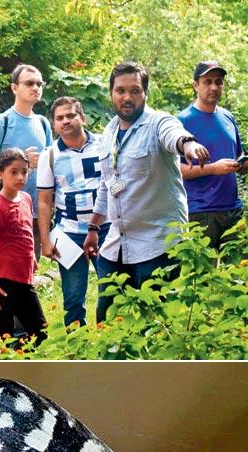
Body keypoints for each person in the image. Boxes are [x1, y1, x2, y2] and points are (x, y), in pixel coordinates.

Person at [82, 61, 210, 323]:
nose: (127, 97)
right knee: (106, 320)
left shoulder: (159, 122)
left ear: (145, 94)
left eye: (135, 90)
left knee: (154, 324)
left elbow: (174, 134)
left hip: (156, 247)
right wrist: (94, 229)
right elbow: (108, 185)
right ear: (111, 93)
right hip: (116, 244)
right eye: (120, 90)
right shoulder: (108, 133)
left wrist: (188, 145)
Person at [178, 60, 248, 262]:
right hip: (200, 212)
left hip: (232, 208)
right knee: (203, 280)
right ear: (195, 85)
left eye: (219, 82)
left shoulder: (227, 117)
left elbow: (234, 163)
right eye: (207, 81)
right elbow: (176, 170)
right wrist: (213, 168)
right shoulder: (182, 121)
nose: (214, 87)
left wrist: (246, 163)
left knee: (239, 278)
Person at [36, 96, 102, 327]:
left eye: (71, 115)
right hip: (69, 232)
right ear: (53, 124)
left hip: (106, 229)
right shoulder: (50, 155)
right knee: (73, 297)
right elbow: (44, 201)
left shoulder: (104, 146)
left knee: (112, 291)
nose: (65, 121)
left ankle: (113, 347)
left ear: (82, 117)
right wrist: (45, 239)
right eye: (59, 118)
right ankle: (77, 351)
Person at [0, 148, 45, 347]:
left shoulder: (26, 199)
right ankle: (0, 374)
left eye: (24, 171)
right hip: (3, 280)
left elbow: (24, 233)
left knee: (40, 332)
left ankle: (23, 367)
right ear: (0, 174)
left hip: (24, 276)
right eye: (13, 172)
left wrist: (32, 259)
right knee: (3, 334)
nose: (20, 177)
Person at [0, 64, 51, 202]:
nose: (36, 88)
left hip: (37, 209)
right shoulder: (0, 122)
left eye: (39, 84)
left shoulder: (43, 123)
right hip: (3, 210)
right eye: (29, 83)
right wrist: (21, 162)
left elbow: (50, 166)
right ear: (14, 88)